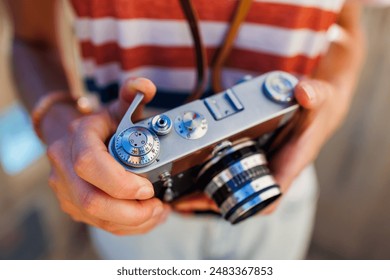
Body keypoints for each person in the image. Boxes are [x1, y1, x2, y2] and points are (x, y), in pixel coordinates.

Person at [6, 0, 369, 259]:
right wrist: (64, 134)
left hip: (274, 190)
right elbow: (30, 41)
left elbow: (347, 26)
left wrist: (326, 108)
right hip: (131, 210)